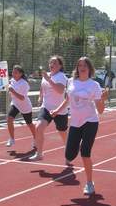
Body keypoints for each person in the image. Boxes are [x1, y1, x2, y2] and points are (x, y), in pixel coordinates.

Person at [65, 57, 108, 195]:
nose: (82, 67)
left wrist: (102, 99)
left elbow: (100, 110)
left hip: (90, 121)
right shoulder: (71, 82)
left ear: (89, 68)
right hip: (75, 122)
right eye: (79, 65)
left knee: (85, 153)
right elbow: (67, 100)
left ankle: (89, 183)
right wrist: (57, 110)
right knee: (69, 155)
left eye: (84, 65)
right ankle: (76, 145)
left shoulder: (94, 85)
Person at [29, 55, 68, 161]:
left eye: (55, 63)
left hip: (59, 109)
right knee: (38, 127)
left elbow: (60, 91)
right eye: (51, 62)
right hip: (46, 107)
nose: (52, 65)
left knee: (63, 133)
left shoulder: (62, 77)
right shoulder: (46, 75)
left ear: (60, 66)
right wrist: (40, 97)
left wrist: (49, 79)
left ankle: (68, 150)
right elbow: (43, 86)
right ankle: (39, 154)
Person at [6, 65, 36, 147]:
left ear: (20, 74)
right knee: (9, 119)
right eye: (13, 72)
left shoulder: (24, 83)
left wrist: (12, 91)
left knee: (29, 124)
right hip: (15, 104)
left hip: (24, 106)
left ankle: (36, 138)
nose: (13, 74)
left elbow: (22, 98)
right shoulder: (11, 80)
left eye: (15, 72)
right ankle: (12, 139)